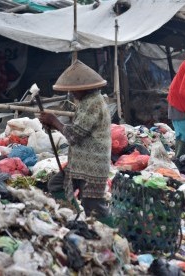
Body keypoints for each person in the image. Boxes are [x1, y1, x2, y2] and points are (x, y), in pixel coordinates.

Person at [38, 59, 111, 221]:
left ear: (85, 88)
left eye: (74, 90)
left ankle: (113, 234)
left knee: (93, 205)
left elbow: (74, 135)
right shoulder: (86, 102)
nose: (71, 93)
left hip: (92, 166)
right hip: (80, 164)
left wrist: (54, 121)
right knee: (56, 185)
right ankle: (74, 216)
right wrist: (52, 124)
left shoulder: (93, 103)